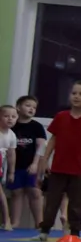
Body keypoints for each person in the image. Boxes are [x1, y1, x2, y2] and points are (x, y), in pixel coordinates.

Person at [36, 80, 81, 242]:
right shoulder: (61, 116)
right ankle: (45, 230)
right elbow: (53, 139)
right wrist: (45, 160)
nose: (77, 96)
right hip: (58, 167)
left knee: (77, 202)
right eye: (74, 93)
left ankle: (75, 232)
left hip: (79, 169)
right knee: (52, 200)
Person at [9, 96, 46, 230]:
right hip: (14, 166)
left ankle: (39, 223)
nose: (31, 109)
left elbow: (41, 146)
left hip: (31, 165)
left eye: (34, 107)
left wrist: (35, 164)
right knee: (16, 192)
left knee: (35, 192)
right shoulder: (12, 125)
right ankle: (15, 222)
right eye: (28, 105)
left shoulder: (36, 127)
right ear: (18, 107)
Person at [0, 104, 16, 230]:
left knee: (1, 193)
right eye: (6, 116)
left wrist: (11, 172)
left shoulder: (11, 135)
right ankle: (7, 220)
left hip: (1, 166)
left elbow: (11, 155)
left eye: (13, 116)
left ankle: (7, 220)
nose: (10, 119)